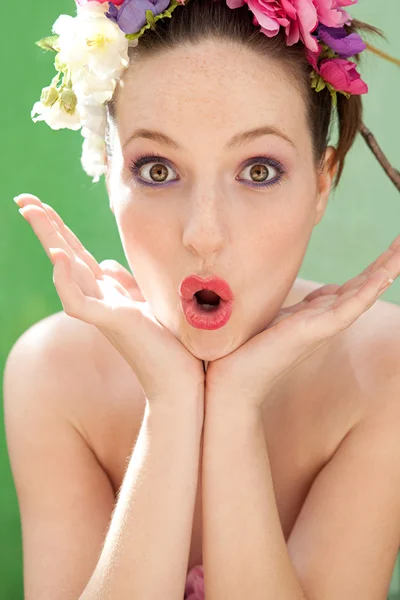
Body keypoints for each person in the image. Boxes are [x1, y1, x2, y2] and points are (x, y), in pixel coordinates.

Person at [3, 0, 400, 599]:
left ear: (323, 183)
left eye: (259, 171)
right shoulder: (54, 374)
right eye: (158, 170)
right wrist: (170, 404)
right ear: (108, 173)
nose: (204, 233)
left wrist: (234, 404)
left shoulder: (383, 372)